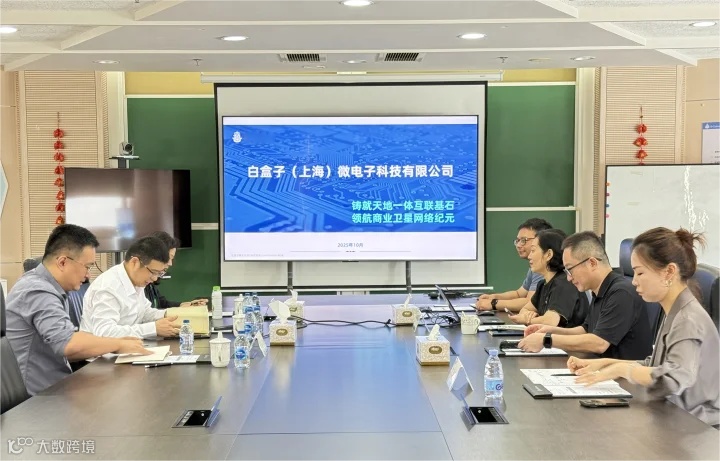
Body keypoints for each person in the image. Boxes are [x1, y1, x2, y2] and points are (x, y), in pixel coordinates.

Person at [569, 227, 719, 427]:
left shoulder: (688, 319)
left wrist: (623, 369)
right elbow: (656, 365)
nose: (634, 281)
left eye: (640, 273)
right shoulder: (675, 310)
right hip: (675, 418)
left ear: (669, 272)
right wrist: (606, 364)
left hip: (697, 428)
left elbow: (672, 378)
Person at [5, 224, 150, 395]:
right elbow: (67, 344)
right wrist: (118, 344)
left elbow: (66, 343)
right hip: (38, 399)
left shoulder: (51, 288)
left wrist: (116, 342)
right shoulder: (37, 291)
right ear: (62, 262)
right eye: (87, 267)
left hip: (57, 386)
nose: (88, 275)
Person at [518, 231, 653, 360]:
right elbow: (586, 330)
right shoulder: (599, 290)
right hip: (598, 368)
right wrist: (549, 331)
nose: (569, 278)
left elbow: (598, 343)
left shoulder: (621, 293)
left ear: (592, 263)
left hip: (623, 375)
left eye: (570, 270)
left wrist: (547, 340)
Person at [80, 236, 181, 339]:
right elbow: (104, 332)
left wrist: (170, 314)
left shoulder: (136, 281)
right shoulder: (108, 287)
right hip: (101, 348)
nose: (155, 278)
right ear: (135, 262)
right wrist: (153, 329)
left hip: (126, 345)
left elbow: (144, 313)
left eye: (159, 273)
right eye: (153, 272)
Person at [508, 229, 588, 327]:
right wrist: (529, 315)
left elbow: (551, 321)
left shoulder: (564, 283)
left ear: (549, 254)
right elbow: (524, 310)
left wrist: (529, 320)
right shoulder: (542, 285)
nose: (529, 256)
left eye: (533, 250)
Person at [476, 218, 552, 313]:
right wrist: (494, 297)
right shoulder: (534, 266)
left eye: (524, 240)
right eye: (518, 240)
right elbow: (519, 293)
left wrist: (493, 303)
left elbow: (530, 303)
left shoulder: (546, 266)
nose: (518, 245)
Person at [143, 231, 208, 309]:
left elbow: (161, 303)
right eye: (168, 258)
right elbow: (148, 313)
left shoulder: (151, 283)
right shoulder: (141, 283)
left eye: (172, 258)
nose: (170, 263)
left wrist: (182, 305)